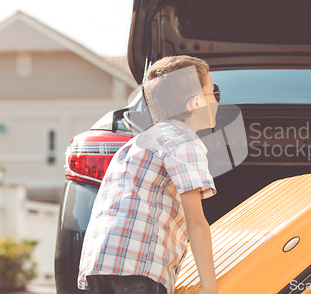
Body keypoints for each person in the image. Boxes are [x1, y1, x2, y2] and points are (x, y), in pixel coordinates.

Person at [78, 55, 221, 294]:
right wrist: (210, 286)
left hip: (100, 263)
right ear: (195, 102)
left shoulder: (135, 144)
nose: (217, 99)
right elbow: (196, 222)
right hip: (140, 267)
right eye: (213, 91)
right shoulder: (184, 141)